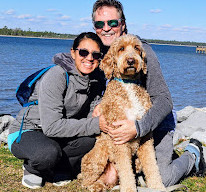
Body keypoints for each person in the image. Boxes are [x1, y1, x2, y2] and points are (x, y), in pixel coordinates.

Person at [90, 0, 205, 187]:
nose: (106, 29)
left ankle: (193, 154)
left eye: (113, 23)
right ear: (95, 28)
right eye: (100, 24)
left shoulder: (142, 51)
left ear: (123, 23)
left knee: (163, 179)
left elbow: (165, 101)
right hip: (120, 126)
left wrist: (138, 128)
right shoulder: (99, 52)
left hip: (155, 124)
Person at [7, 32, 107, 189]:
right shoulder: (57, 75)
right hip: (28, 131)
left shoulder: (96, 80)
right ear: (73, 52)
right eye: (83, 52)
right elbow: (51, 127)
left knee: (93, 141)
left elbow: (90, 117)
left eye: (96, 54)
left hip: (59, 135)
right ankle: (32, 168)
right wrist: (97, 124)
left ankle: (60, 168)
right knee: (47, 153)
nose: (89, 58)